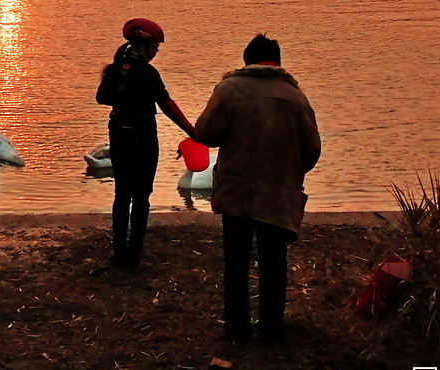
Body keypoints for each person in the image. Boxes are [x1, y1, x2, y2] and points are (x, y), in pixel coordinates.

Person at [194, 34, 320, 343]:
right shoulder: (295, 96)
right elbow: (312, 149)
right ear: (278, 62)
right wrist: (290, 173)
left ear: (246, 60)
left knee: (236, 260)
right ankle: (272, 327)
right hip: (277, 192)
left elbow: (206, 133)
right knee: (274, 260)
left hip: (236, 189)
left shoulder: (229, 90)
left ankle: (236, 327)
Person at [95, 17, 198, 268]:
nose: (156, 51)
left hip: (118, 132)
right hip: (142, 134)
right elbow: (167, 105)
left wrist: (124, 96)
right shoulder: (148, 72)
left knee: (122, 193)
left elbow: (102, 98)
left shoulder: (115, 68)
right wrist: (192, 131)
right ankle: (134, 253)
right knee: (142, 194)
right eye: (155, 46)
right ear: (144, 45)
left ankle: (118, 250)